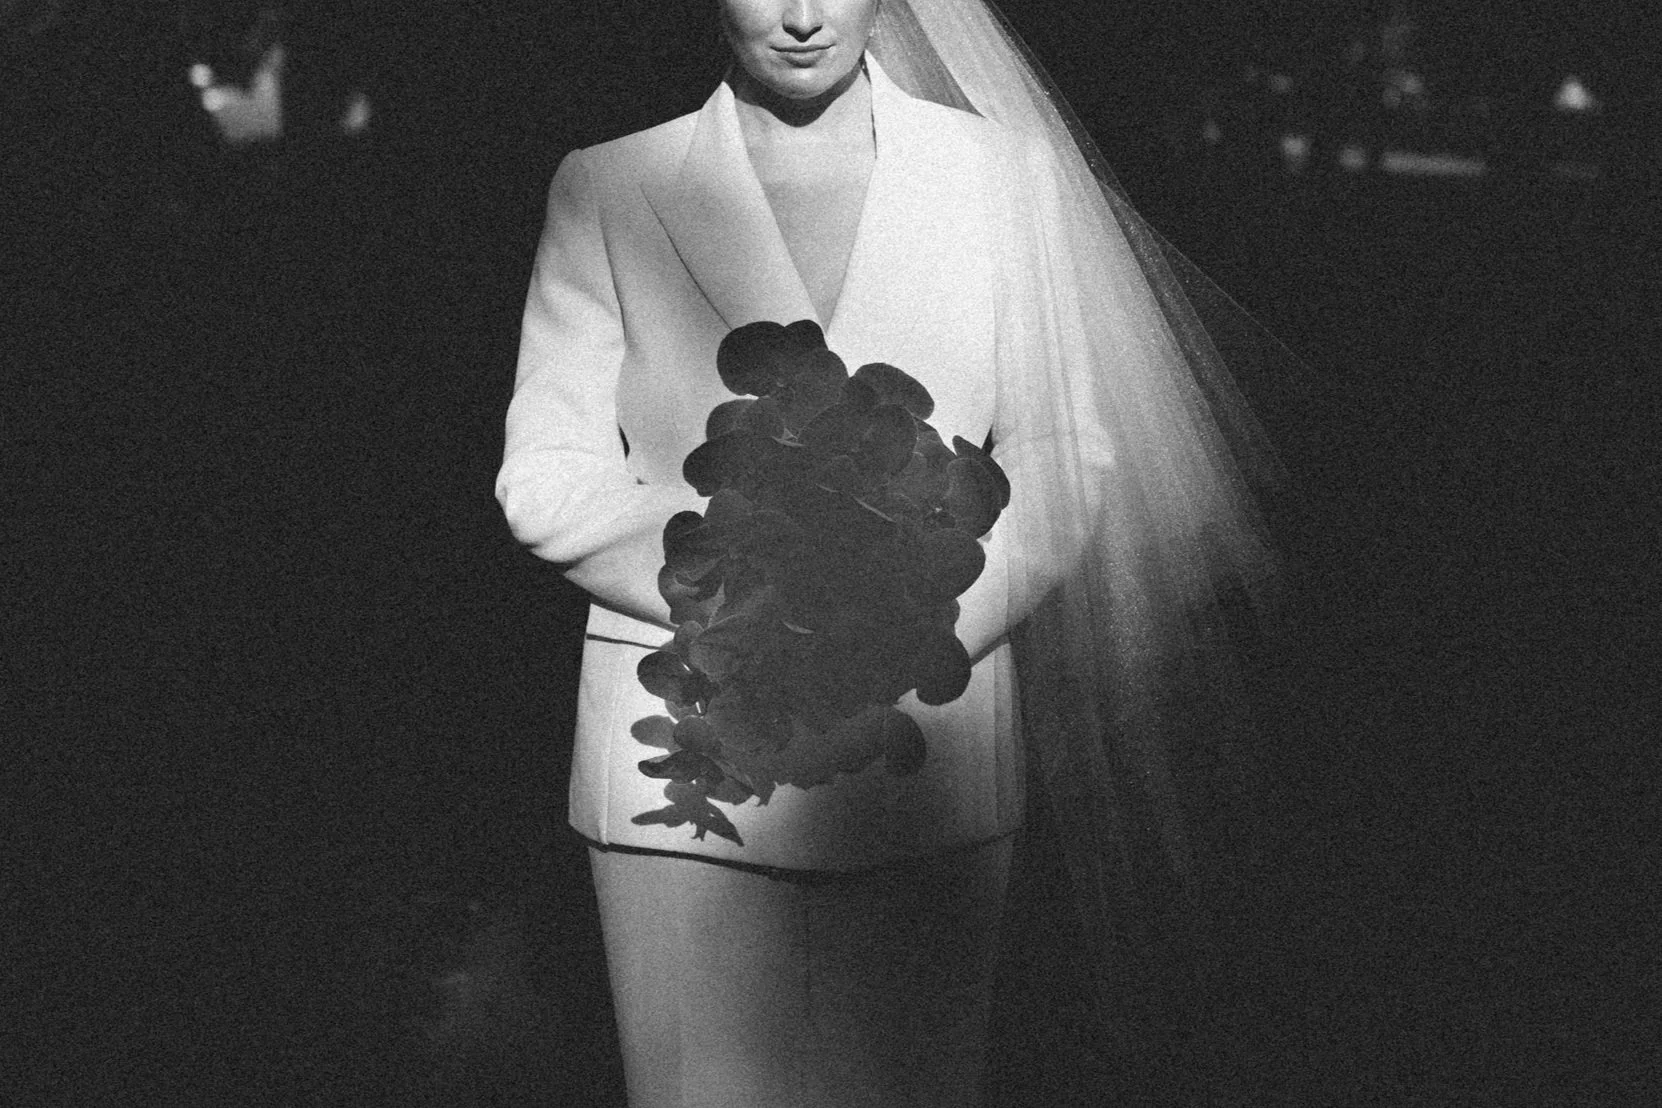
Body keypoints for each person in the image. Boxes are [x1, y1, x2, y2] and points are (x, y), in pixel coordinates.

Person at [497, 1, 1283, 1103]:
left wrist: (919, 617)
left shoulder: (1005, 177)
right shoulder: (611, 186)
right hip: (683, 760)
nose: (806, 15)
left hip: (928, 749)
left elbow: (1065, 451)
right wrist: (741, 580)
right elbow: (543, 469)